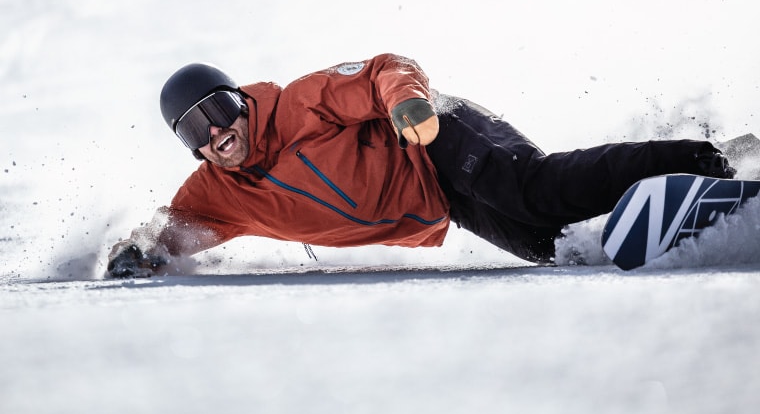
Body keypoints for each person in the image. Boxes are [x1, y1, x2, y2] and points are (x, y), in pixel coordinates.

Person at [107, 53, 736, 278]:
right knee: (553, 245)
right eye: (196, 128)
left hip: (436, 134)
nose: (217, 132)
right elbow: (174, 228)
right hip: (443, 202)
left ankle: (711, 161)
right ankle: (676, 216)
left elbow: (383, 68)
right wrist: (136, 252)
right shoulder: (220, 193)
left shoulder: (297, 104)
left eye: (219, 109)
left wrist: (408, 103)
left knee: (535, 192)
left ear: (240, 99)